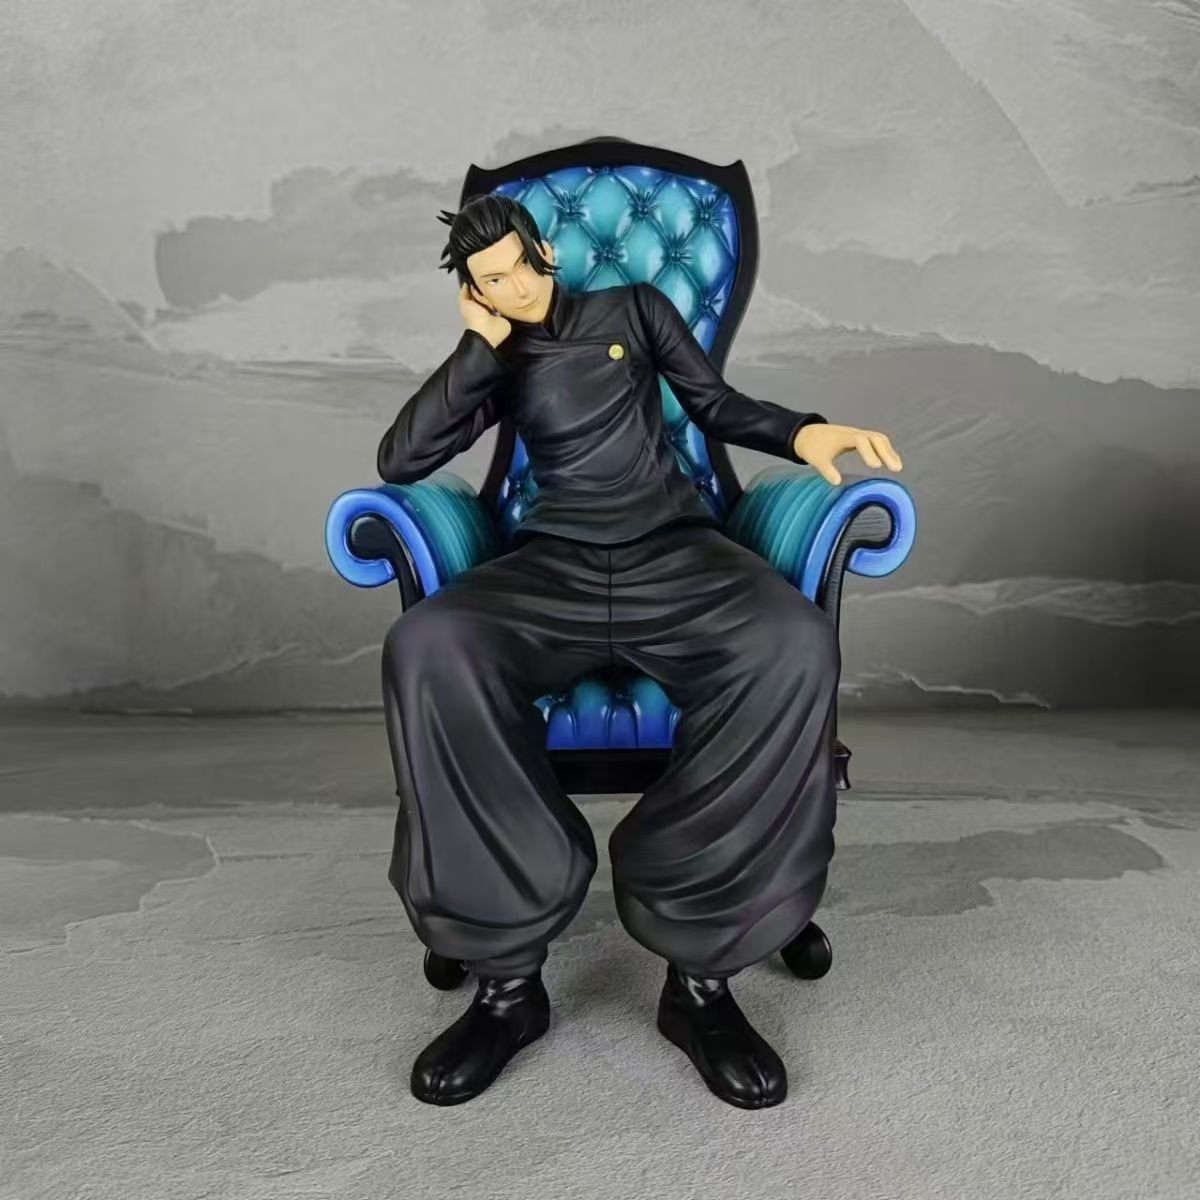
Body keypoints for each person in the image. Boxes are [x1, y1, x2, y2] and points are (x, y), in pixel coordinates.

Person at [377, 194, 903, 1110]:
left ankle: (699, 982)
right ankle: (507, 984)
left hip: (675, 551)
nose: (516, 287)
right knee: (429, 641)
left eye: (520, 265)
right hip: (554, 566)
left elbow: (716, 404)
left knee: (790, 640)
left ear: (543, 249)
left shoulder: (634, 309)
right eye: (492, 280)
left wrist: (802, 431)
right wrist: (476, 346)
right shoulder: (497, 354)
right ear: (474, 290)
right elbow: (401, 460)